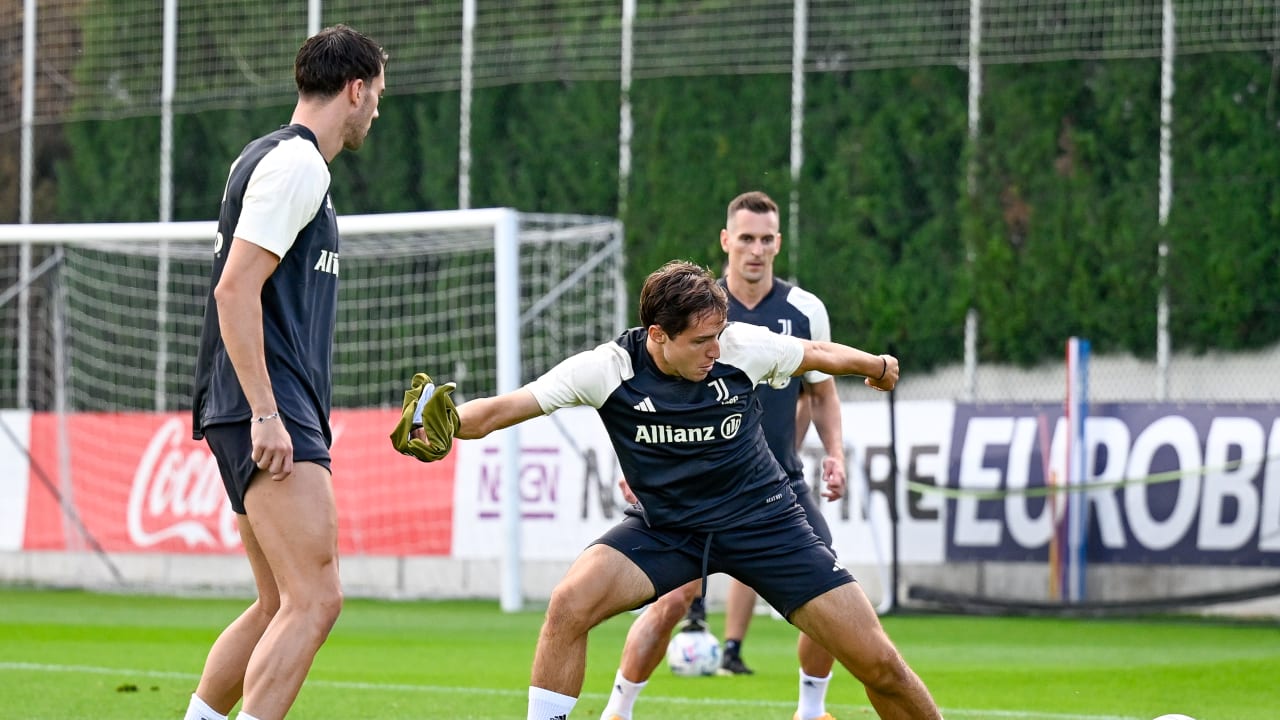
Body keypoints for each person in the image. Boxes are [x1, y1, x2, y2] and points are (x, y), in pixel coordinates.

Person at [417, 260, 941, 720]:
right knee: (569, 603)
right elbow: (505, 408)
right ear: (657, 335)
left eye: (719, 335)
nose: (715, 349)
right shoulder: (607, 369)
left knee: (879, 664)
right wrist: (440, 428)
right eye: (700, 340)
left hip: (765, 522)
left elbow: (818, 353)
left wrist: (877, 366)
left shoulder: (741, 347)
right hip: (669, 529)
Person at [186, 25, 387, 720]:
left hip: (246, 402)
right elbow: (234, 289)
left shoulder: (266, 158)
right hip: (264, 407)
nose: (376, 113)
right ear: (355, 89)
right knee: (316, 598)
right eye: (377, 96)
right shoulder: (298, 165)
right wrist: (267, 412)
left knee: (277, 601)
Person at [599, 191, 850, 720]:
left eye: (766, 240)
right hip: (693, 492)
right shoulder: (693, 311)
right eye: (746, 239)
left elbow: (821, 391)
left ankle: (811, 710)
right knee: (670, 601)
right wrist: (637, 470)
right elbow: (635, 394)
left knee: (832, 586)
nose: (756, 250)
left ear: (778, 243)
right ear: (725, 241)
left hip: (776, 487)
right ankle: (617, 711)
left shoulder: (805, 311)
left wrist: (835, 454)